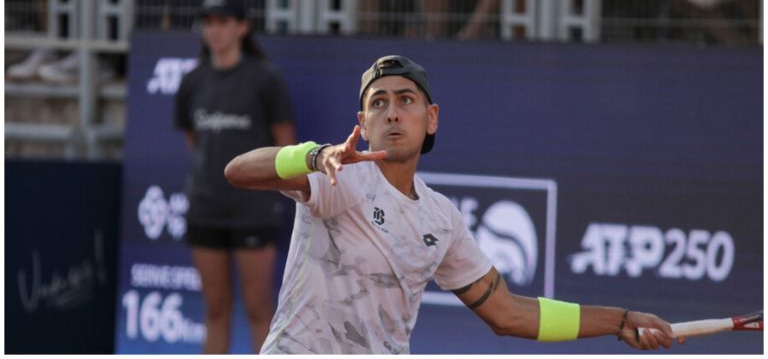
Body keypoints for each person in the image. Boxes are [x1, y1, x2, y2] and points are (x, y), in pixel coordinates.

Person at [223, 54, 682, 354]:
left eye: (406, 100)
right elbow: (238, 170)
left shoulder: (441, 219)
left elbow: (508, 314)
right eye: (378, 104)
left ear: (432, 118)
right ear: (363, 122)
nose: (393, 112)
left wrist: (617, 320)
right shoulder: (338, 177)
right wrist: (313, 154)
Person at [174, 0, 297, 353]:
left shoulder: (265, 80)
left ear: (243, 26)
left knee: (259, 308)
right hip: (205, 208)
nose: (215, 31)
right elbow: (193, 139)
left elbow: (286, 150)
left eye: (223, 22)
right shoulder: (192, 81)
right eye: (208, 23)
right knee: (214, 308)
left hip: (252, 212)